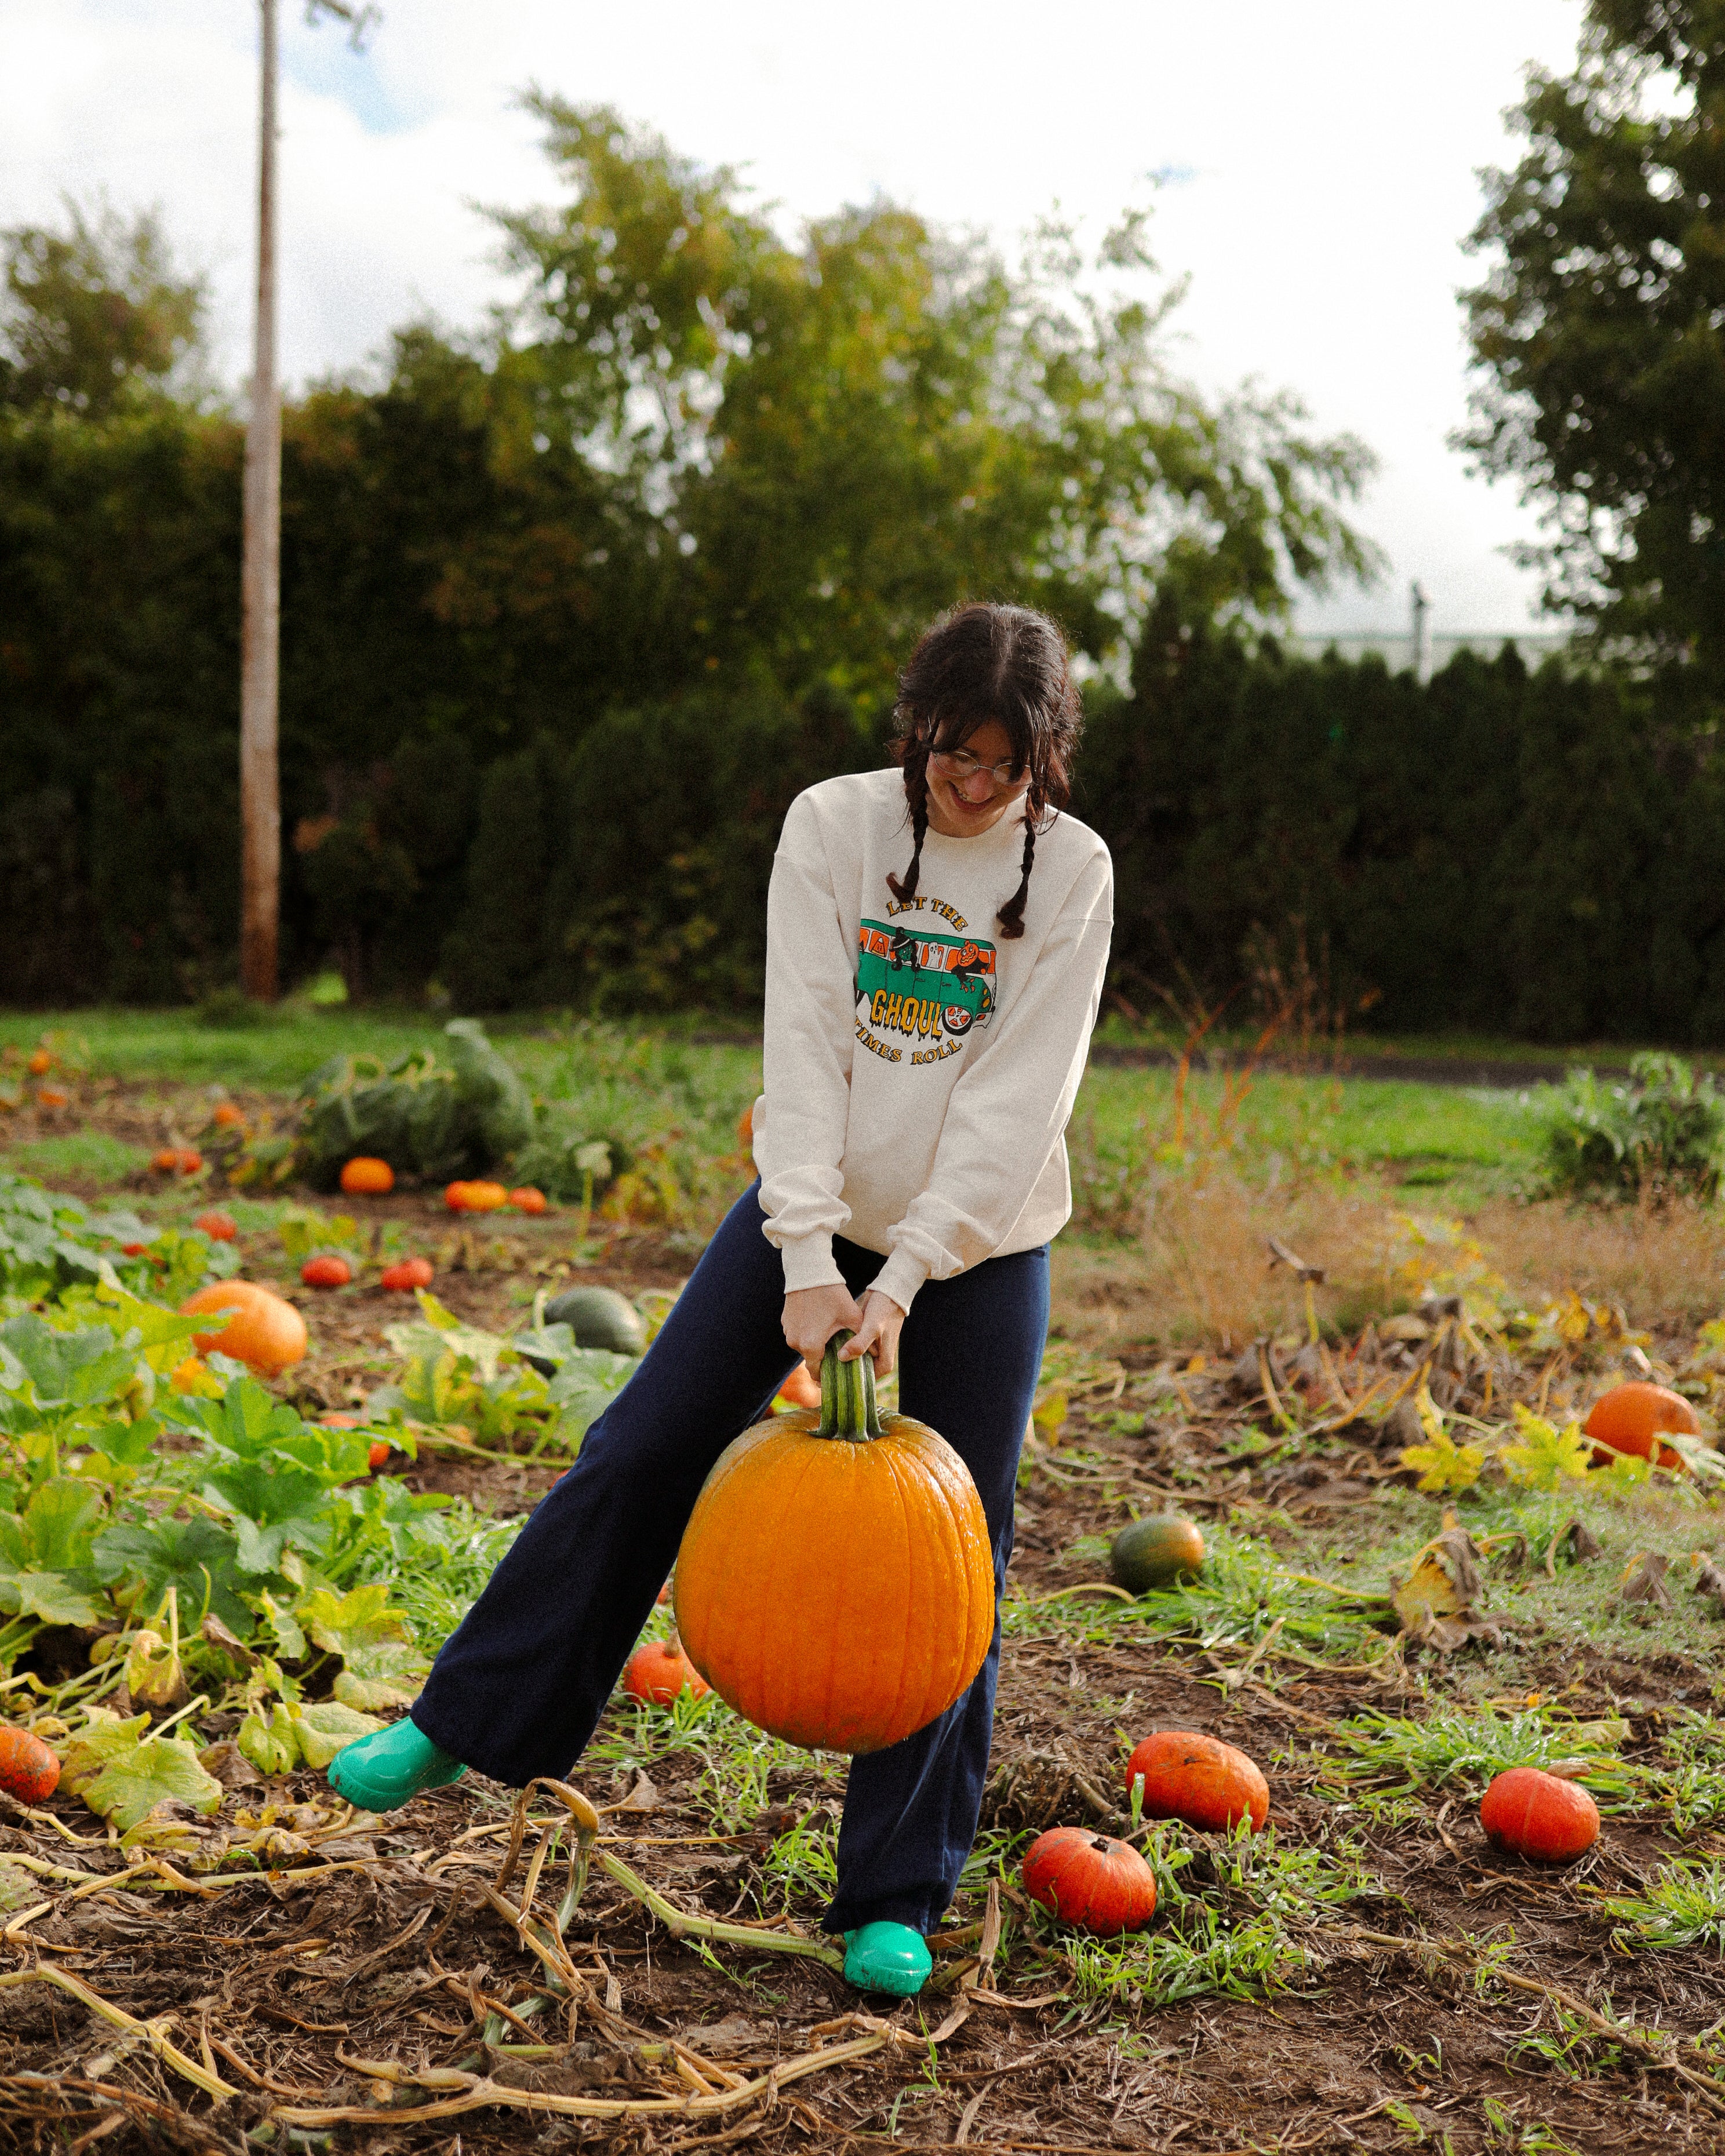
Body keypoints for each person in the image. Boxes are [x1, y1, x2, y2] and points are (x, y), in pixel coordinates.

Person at [328, 601, 1114, 1998]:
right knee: (642, 1445)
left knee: (953, 1555)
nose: (971, 785)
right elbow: (804, 1038)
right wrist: (811, 1261)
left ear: (1042, 758)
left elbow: (1018, 1100)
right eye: (950, 752)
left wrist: (914, 1272)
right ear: (915, 729)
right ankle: (465, 1716)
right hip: (807, 1213)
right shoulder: (834, 827)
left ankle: (895, 1892)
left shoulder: (1073, 876)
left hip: (981, 1251)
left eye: (1002, 764)